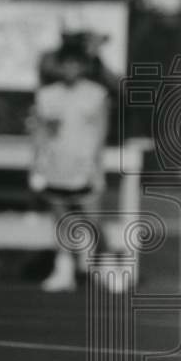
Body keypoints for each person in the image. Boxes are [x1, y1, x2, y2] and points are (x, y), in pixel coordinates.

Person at [30, 40, 109, 293]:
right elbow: (40, 132)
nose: (70, 69)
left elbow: (101, 131)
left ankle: (92, 267)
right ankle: (63, 269)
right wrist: (37, 167)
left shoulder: (96, 94)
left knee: (92, 219)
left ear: (83, 66)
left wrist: (96, 166)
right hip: (56, 165)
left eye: (75, 64)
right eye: (66, 64)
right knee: (61, 220)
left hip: (85, 166)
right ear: (60, 66)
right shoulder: (47, 95)